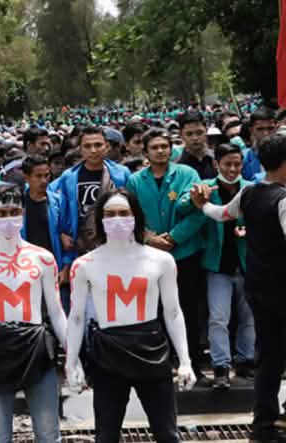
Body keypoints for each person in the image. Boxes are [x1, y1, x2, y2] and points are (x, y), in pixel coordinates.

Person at [65, 189, 196, 443]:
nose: (117, 219)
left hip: (151, 346)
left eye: (124, 213)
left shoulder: (161, 260)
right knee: (106, 434)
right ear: (100, 219)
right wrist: (72, 361)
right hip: (107, 350)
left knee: (167, 432)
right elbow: (76, 316)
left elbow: (173, 311)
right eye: (110, 214)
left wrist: (185, 360)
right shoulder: (85, 264)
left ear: (135, 216)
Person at [190, 133, 286, 441]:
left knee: (268, 357)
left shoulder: (249, 193)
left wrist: (202, 204)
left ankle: (264, 425)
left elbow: (221, 214)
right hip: (281, 290)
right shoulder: (283, 200)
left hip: (258, 288)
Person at [0, 184, 66, 443]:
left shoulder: (43, 258)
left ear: (23, 213)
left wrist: (72, 355)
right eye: (1, 212)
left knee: (49, 432)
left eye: (14, 211)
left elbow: (56, 311)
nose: (8, 218)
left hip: (36, 343)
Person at [126, 128, 207, 378]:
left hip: (185, 252)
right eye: (154, 147)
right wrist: (150, 238)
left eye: (164, 146)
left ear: (172, 149)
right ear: (145, 151)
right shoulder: (135, 180)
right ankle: (162, 361)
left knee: (187, 307)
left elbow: (198, 212)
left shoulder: (187, 174)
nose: (160, 151)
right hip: (149, 255)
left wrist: (174, 237)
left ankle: (191, 360)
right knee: (156, 308)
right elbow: (131, 215)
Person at [178, 143, 254, 390]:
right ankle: (221, 366)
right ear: (216, 165)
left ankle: (246, 360)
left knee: (248, 317)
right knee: (218, 317)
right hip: (217, 265)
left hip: (246, 264)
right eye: (227, 164)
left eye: (237, 164)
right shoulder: (206, 189)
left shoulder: (251, 190)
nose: (232, 169)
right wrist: (196, 199)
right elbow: (182, 207)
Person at [49, 126, 131, 260]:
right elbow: (63, 210)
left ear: (107, 146)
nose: (93, 150)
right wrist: (62, 233)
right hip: (82, 245)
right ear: (80, 149)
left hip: (116, 240)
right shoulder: (69, 177)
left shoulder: (121, 174)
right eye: (87, 146)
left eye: (98, 145)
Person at [177, 111, 217, 180]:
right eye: (189, 134)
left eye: (199, 133)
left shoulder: (218, 160)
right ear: (181, 135)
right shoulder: (177, 167)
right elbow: (172, 190)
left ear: (206, 131)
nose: (195, 138)